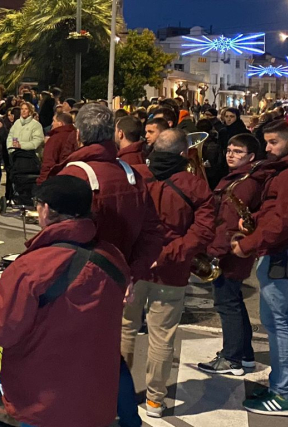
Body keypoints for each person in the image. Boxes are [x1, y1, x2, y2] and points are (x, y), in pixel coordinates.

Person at [0, 175, 130, 427]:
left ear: (45, 209)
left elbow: (0, 329)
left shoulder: (31, 267)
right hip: (96, 400)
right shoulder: (113, 257)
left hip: (44, 407)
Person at [48, 104, 168, 427]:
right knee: (108, 353)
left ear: (80, 134)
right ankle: (128, 417)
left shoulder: (74, 175)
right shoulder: (132, 174)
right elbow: (154, 231)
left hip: (77, 283)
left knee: (72, 355)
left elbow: (56, 235)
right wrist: (133, 271)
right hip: (118, 280)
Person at [121, 129, 215, 418]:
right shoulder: (195, 185)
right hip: (172, 271)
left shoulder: (134, 176)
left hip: (134, 268)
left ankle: (118, 393)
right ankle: (154, 401)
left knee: (125, 330)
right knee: (162, 337)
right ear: (183, 153)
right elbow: (204, 231)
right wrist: (170, 254)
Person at [231, 119, 288, 416]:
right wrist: (253, 217)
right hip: (287, 251)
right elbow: (278, 213)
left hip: (284, 252)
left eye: (273, 142)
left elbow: (285, 221)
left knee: (279, 323)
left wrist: (249, 243)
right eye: (266, 142)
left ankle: (282, 395)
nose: (267, 148)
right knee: (284, 321)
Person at [198, 133, 264, 377]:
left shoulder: (244, 183)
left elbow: (228, 222)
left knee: (227, 304)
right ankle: (244, 355)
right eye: (229, 150)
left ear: (251, 157)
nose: (231, 155)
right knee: (234, 302)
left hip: (230, 251)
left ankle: (231, 358)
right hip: (232, 249)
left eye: (238, 152)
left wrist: (214, 252)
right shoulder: (238, 178)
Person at [37, 112, 78, 184]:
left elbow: (48, 164)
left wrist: (41, 182)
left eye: (54, 121)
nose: (52, 124)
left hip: (57, 180)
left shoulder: (55, 139)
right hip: (75, 178)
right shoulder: (77, 136)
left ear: (60, 123)